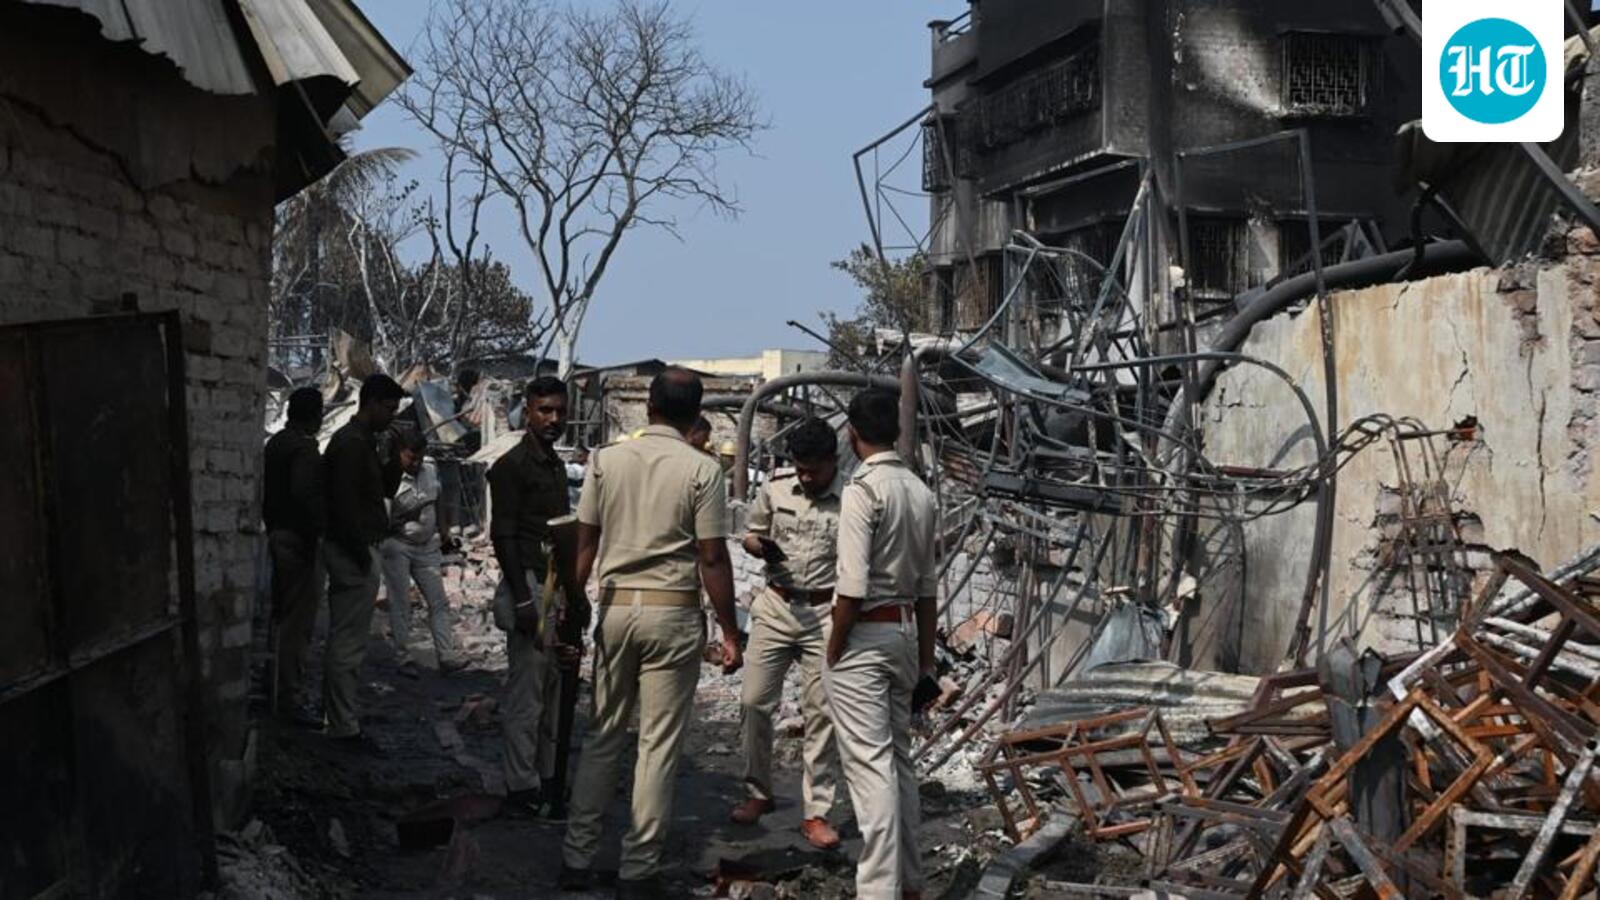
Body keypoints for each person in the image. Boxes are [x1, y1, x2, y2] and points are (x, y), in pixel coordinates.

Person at [560, 367, 745, 899]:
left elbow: (585, 544)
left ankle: (576, 855)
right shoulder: (702, 469)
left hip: (617, 610)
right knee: (658, 746)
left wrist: (573, 608)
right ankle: (637, 870)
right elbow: (712, 557)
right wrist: (731, 631)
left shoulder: (607, 460)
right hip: (673, 612)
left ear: (649, 407)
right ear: (694, 413)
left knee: (602, 735)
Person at [825, 388, 939, 900]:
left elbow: (851, 586)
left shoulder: (862, 489)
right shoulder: (919, 490)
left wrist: (835, 647)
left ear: (853, 433)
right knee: (898, 763)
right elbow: (929, 589)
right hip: (904, 637)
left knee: (872, 775)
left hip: (865, 636)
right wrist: (927, 665)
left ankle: (878, 891)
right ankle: (909, 883)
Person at [731, 418, 845, 850]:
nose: (805, 476)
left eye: (813, 469)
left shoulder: (853, 498)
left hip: (826, 612)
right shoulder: (775, 489)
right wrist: (757, 546)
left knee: (822, 714)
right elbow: (751, 534)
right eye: (799, 468)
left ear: (833, 462)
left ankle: (816, 813)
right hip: (777, 606)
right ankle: (758, 792)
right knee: (754, 702)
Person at [487, 376, 586, 814]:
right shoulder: (512, 466)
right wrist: (523, 600)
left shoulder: (554, 464)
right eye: (545, 410)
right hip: (528, 581)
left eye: (560, 411)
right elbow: (503, 534)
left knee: (553, 690)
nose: (554, 419)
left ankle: (547, 779)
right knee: (526, 693)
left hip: (553, 583)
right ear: (527, 411)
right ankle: (521, 787)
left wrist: (572, 592)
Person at [322, 373, 406, 746]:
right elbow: (342, 505)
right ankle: (341, 725)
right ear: (370, 403)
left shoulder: (366, 442)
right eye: (388, 409)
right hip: (352, 550)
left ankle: (340, 718)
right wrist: (360, 555)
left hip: (359, 548)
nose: (391, 416)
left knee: (350, 640)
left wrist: (397, 460)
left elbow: (382, 490)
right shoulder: (351, 444)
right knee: (348, 642)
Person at [263, 387, 326, 725]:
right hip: (297, 540)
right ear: (314, 415)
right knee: (296, 622)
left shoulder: (276, 443)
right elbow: (304, 493)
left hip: (277, 533)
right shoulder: (302, 448)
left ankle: (274, 686)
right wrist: (318, 529)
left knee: (280, 615)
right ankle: (289, 695)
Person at [381, 427, 462, 674]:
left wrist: (445, 531)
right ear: (399, 454)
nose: (415, 463)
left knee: (438, 601)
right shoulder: (389, 477)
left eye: (419, 457)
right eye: (410, 457)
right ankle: (402, 656)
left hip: (427, 546)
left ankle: (446, 656)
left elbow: (439, 498)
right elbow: (382, 521)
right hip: (398, 546)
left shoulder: (430, 468)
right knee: (401, 602)